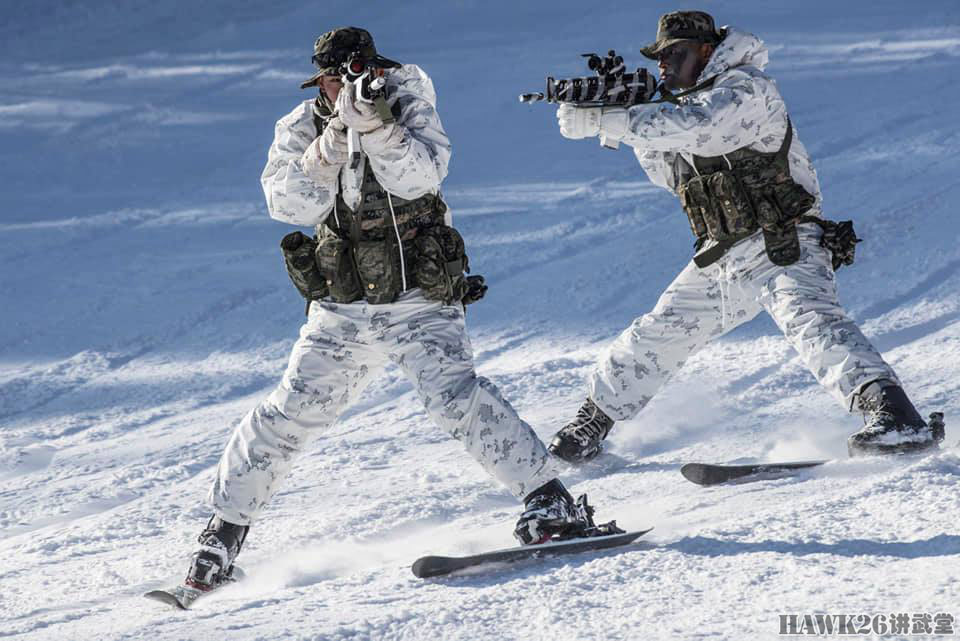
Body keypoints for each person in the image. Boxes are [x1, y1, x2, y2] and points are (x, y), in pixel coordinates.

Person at [181, 26, 605, 593]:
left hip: (417, 300)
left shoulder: (409, 106)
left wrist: (377, 130)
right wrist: (330, 146)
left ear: (378, 70)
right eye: (335, 79)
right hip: (342, 309)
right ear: (321, 82)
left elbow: (422, 177)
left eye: (358, 74)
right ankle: (221, 538)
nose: (347, 87)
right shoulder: (301, 125)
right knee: (287, 416)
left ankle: (550, 502)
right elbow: (287, 204)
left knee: (457, 399)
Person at [548, 11, 944, 464]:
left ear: (706, 51)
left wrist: (617, 122)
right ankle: (593, 421)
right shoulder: (681, 108)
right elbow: (668, 174)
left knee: (812, 323)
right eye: (659, 58)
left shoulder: (747, 88)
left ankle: (895, 416)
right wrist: (626, 115)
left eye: (675, 53)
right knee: (659, 331)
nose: (664, 65)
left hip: (783, 242)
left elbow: (705, 129)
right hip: (724, 253)